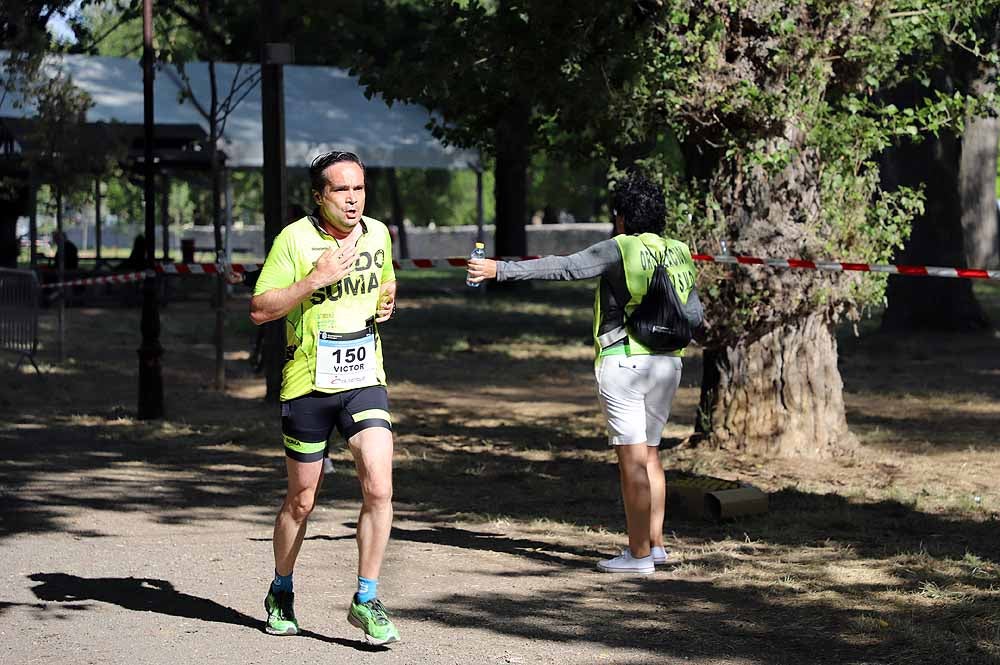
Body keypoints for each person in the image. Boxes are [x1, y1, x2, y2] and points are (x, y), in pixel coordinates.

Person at [467, 172, 703, 575]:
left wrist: (499, 271)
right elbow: (695, 313)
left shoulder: (620, 249)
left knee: (631, 460)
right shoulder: (680, 251)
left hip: (625, 362)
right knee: (651, 455)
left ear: (623, 217)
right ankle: (656, 546)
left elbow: (564, 267)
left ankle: (639, 555)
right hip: (668, 363)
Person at [250, 151, 400, 644]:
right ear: (320, 196)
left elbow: (386, 280)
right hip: (308, 383)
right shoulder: (293, 240)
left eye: (358, 189)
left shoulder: (378, 233)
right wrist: (315, 279)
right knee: (302, 499)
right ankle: (281, 589)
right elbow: (259, 309)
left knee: (379, 487)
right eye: (341, 190)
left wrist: (388, 299)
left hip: (363, 379)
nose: (353, 199)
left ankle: (367, 598)